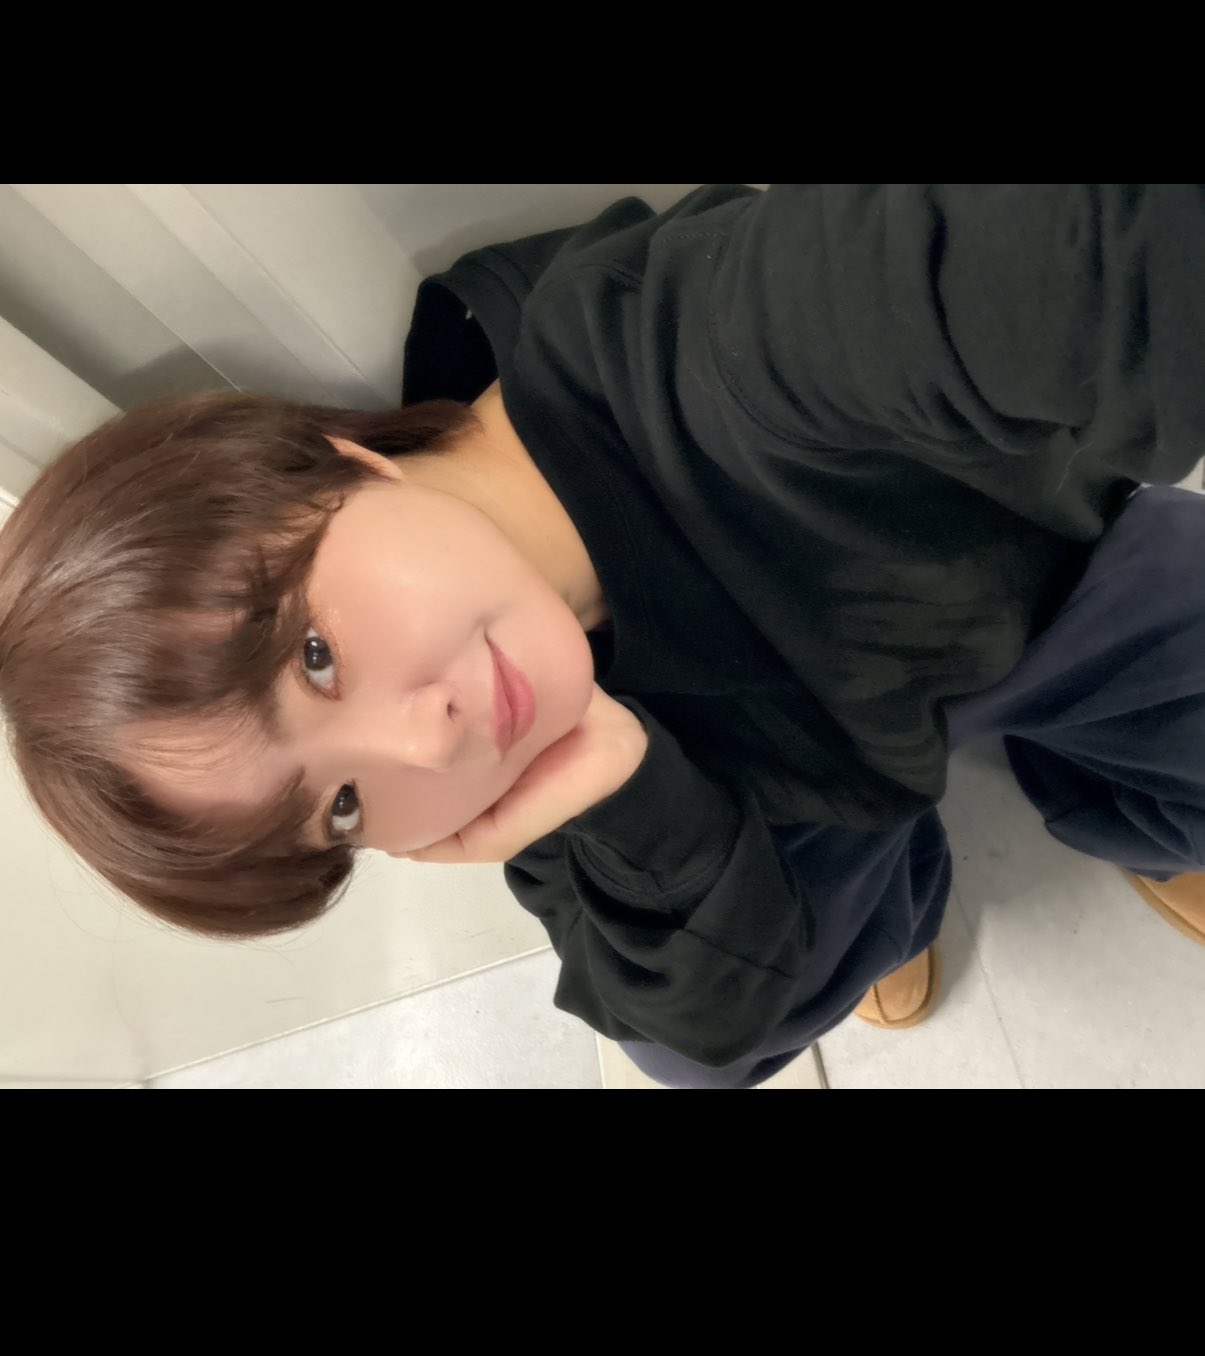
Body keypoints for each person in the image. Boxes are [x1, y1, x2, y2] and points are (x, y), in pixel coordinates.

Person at [1, 184, 1203, 1090]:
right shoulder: (517, 712)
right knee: (718, 996)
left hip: (1022, 574)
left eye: (314, 657)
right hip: (818, 744)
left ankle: (1086, 787)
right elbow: (705, 1035)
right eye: (344, 807)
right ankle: (876, 882)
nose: (425, 742)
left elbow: (1115, 258)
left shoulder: (739, 346)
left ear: (329, 465)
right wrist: (632, 801)